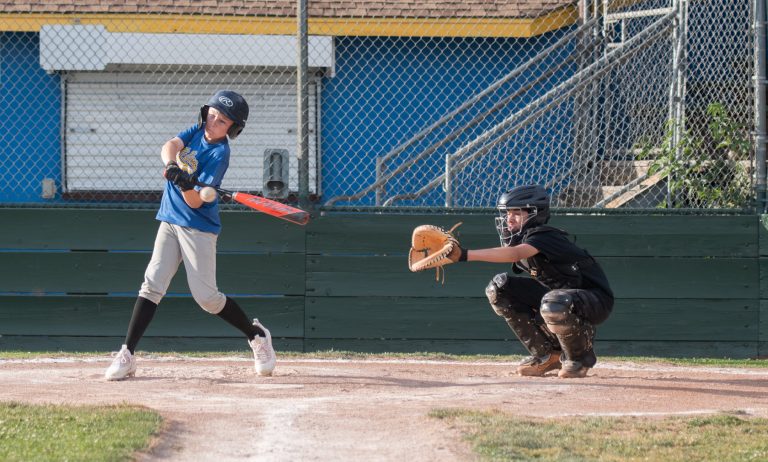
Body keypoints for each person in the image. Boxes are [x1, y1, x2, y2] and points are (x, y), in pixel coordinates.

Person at [105, 90, 276, 380]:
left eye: (222, 121)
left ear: (232, 128)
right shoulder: (197, 129)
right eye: (211, 114)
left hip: (198, 229)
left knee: (207, 298)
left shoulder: (220, 154)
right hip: (169, 221)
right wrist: (173, 167)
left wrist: (185, 185)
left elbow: (196, 202)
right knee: (152, 284)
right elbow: (170, 145)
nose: (213, 122)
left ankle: (256, 335)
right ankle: (128, 353)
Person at [457, 184, 613, 378]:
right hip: (559, 295)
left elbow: (514, 253)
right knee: (500, 289)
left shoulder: (543, 235)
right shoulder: (523, 238)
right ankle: (548, 355)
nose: (509, 218)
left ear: (535, 213)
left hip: (594, 299)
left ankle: (579, 358)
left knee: (554, 302)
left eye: (517, 213)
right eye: (507, 213)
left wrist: (463, 255)